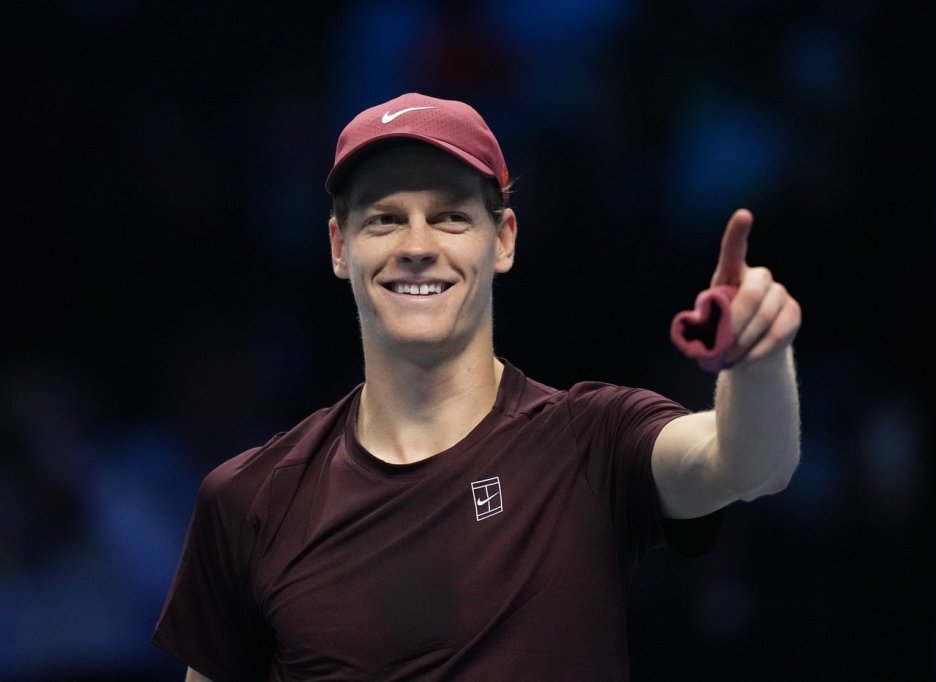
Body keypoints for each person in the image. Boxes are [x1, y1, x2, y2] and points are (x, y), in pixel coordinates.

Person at [152, 93, 801, 681]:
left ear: (504, 240)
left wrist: (760, 359)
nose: (416, 246)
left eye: (450, 217)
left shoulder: (590, 440)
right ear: (339, 247)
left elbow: (749, 464)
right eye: (384, 219)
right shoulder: (250, 500)